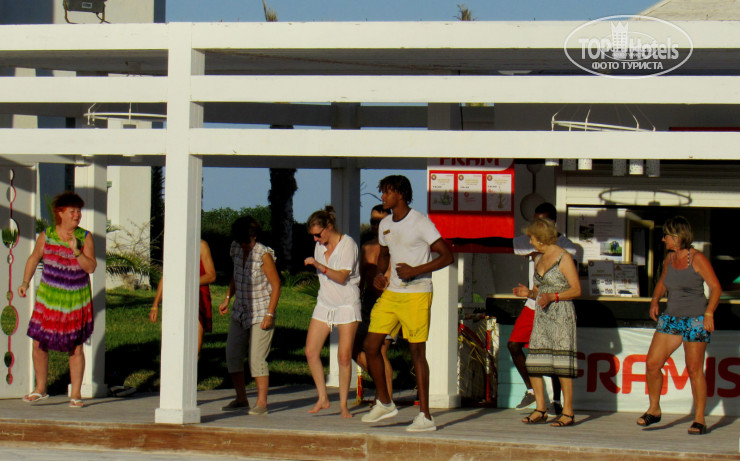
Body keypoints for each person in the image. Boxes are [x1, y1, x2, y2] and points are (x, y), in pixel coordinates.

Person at [361, 175, 454, 432]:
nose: (382, 197)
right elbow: (384, 255)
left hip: (417, 293)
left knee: (417, 353)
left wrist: (416, 270)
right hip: (392, 293)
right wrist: (379, 274)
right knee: (370, 346)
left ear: (400, 194)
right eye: (382, 192)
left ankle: (425, 416)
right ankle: (385, 402)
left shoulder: (421, 222)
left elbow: (447, 256)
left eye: (386, 192)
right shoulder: (385, 224)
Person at [637, 216, 721, 435]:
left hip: (695, 319)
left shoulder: (697, 258)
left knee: (694, 369)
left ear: (676, 237)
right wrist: (655, 300)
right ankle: (654, 409)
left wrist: (709, 313)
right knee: (652, 363)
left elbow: (715, 287)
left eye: (666, 235)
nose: (663, 239)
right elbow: (663, 282)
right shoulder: (670, 257)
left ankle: (699, 419)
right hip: (671, 317)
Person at [19, 191, 96, 408]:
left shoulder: (85, 237)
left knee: (76, 347)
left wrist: (77, 252)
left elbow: (91, 267)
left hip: (75, 300)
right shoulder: (47, 234)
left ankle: (76, 393)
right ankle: (40, 389)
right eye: (73, 211)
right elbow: (34, 258)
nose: (77, 215)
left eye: (79, 211)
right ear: (60, 213)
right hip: (48, 300)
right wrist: (25, 282)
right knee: (39, 343)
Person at [512, 217, 581, 427]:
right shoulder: (539, 259)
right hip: (542, 314)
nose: (530, 242)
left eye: (532, 238)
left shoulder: (563, 257)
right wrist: (528, 293)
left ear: (541, 238)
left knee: (562, 364)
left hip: (561, 314)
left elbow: (576, 290)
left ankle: (568, 411)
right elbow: (539, 292)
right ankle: (540, 408)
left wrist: (554, 296)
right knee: (534, 362)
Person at [303, 206, 361, 418]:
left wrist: (319, 265)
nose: (316, 239)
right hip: (325, 303)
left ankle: (344, 405)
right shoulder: (319, 247)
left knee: (344, 356)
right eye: (313, 236)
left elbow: (342, 277)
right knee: (311, 351)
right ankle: (323, 397)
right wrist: (319, 262)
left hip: (346, 303)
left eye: (318, 234)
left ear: (328, 227)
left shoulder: (348, 244)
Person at [219, 216, 281, 415]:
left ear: (254, 236)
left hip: (261, 310)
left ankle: (262, 403)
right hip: (240, 309)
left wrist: (270, 313)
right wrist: (227, 297)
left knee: (257, 359)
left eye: (247, 241)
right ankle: (241, 398)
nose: (244, 245)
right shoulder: (236, 249)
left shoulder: (264, 255)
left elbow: (276, 285)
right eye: (241, 241)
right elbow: (236, 275)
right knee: (232, 354)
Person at [352, 205, 397, 401]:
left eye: (380, 221)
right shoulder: (366, 247)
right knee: (353, 348)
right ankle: (383, 388)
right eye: (373, 221)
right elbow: (360, 279)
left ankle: (385, 398)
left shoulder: (396, 246)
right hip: (368, 302)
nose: (375, 225)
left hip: (389, 302)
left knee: (380, 350)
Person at [149, 239, 216, 359]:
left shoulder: (201, 245)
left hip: (199, 296)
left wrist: (188, 283)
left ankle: (193, 366)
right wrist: (155, 305)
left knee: (196, 345)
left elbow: (211, 275)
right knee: (174, 341)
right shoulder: (174, 244)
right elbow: (166, 277)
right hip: (177, 296)